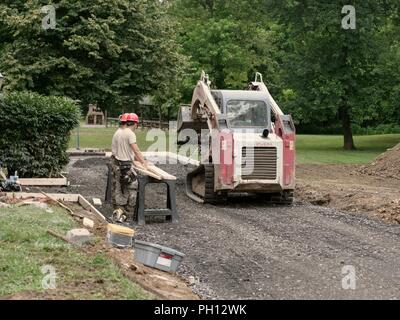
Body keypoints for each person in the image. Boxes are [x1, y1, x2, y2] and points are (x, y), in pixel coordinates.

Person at [111, 113, 148, 222]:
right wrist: (144, 162)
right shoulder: (130, 134)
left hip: (116, 163)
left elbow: (126, 149)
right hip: (124, 165)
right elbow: (135, 149)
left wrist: (135, 159)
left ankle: (118, 210)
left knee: (119, 188)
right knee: (132, 186)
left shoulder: (118, 132)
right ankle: (128, 214)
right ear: (135, 123)